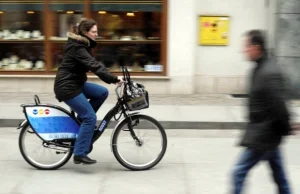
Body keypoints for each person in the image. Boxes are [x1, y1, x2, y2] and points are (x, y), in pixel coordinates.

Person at [231, 30, 294, 194]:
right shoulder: (259, 69)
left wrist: (286, 127)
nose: (244, 50)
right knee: (280, 177)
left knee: (238, 172)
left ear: (257, 47)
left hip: (264, 136)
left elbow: (279, 106)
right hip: (266, 134)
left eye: (247, 46)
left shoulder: (269, 72)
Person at [54, 18, 120, 165]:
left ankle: (82, 122)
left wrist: (110, 75)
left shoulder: (83, 44)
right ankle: (79, 153)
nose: (97, 34)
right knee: (90, 117)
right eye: (94, 32)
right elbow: (94, 66)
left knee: (102, 92)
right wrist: (114, 79)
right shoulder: (78, 47)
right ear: (85, 32)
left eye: (97, 31)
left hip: (76, 83)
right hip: (67, 87)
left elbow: (95, 64)